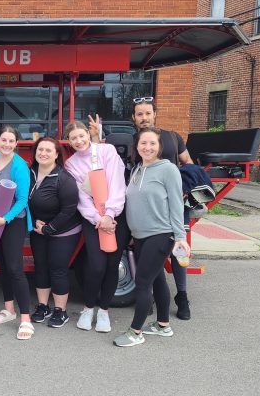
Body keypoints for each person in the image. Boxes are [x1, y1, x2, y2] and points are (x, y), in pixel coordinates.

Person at [90, 96, 194, 320]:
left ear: (155, 114)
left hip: (171, 204)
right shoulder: (131, 142)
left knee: (177, 251)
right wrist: (97, 138)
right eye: (140, 114)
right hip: (145, 206)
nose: (144, 117)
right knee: (149, 261)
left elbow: (189, 163)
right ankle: (154, 306)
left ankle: (182, 297)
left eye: (148, 113)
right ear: (134, 117)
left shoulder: (173, 137)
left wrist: (183, 188)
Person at [114, 127, 190, 347]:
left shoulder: (168, 169)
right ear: (136, 146)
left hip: (160, 234)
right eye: (143, 143)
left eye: (152, 143)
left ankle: (135, 331)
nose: (147, 147)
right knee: (157, 279)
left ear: (160, 147)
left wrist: (180, 236)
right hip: (140, 236)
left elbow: (176, 204)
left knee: (142, 282)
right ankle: (163, 325)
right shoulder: (137, 169)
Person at [64, 121, 128, 333]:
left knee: (112, 264)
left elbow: (117, 182)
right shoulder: (71, 164)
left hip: (117, 215)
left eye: (81, 136)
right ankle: (88, 308)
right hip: (92, 219)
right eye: (73, 138)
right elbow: (80, 197)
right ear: (69, 142)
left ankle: (104, 311)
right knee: (96, 265)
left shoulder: (106, 150)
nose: (79, 141)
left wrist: (109, 214)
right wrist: (97, 218)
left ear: (87, 134)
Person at [0, 126, 34, 340]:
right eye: (4, 140)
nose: (7, 144)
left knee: (15, 268)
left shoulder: (20, 165)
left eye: (11, 141)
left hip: (13, 222)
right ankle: (9, 310)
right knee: (2, 266)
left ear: (16, 143)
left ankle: (26, 319)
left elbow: (22, 200)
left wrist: (5, 218)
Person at [27, 137, 82, 328]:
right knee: (40, 266)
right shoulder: (29, 173)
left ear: (57, 154)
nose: (43, 153)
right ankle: (43, 307)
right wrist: (35, 222)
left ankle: (61, 311)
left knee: (57, 269)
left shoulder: (64, 179)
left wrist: (49, 228)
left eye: (48, 150)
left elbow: (69, 210)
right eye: (40, 149)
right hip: (38, 229)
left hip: (63, 231)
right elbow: (23, 201)